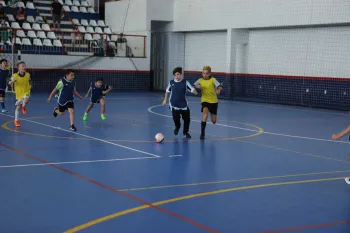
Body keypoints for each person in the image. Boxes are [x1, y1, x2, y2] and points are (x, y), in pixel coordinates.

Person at [162, 67, 197, 139]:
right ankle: (177, 127)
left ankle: (185, 132)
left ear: (181, 74)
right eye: (175, 75)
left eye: (178, 74)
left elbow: (191, 88)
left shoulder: (185, 82)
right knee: (176, 119)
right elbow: (167, 91)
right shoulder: (171, 82)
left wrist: (194, 91)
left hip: (183, 104)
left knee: (187, 119)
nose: (176, 76)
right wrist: (165, 100)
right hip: (174, 105)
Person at [194, 65, 223, 140]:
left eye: (206, 73)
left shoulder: (213, 80)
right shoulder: (200, 80)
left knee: (214, 121)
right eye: (203, 73)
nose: (205, 75)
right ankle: (202, 133)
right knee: (205, 115)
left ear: (209, 73)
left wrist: (218, 90)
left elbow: (219, 86)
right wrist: (197, 87)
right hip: (205, 101)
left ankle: (212, 115)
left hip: (213, 102)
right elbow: (194, 85)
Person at [8, 61, 31, 127]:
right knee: (18, 108)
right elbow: (9, 83)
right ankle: (16, 120)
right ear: (18, 68)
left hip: (26, 91)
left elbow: (29, 80)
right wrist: (12, 82)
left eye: (24, 66)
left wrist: (30, 85)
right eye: (22, 66)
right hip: (19, 94)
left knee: (26, 99)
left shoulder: (28, 74)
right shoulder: (14, 76)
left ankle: (24, 106)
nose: (24, 67)